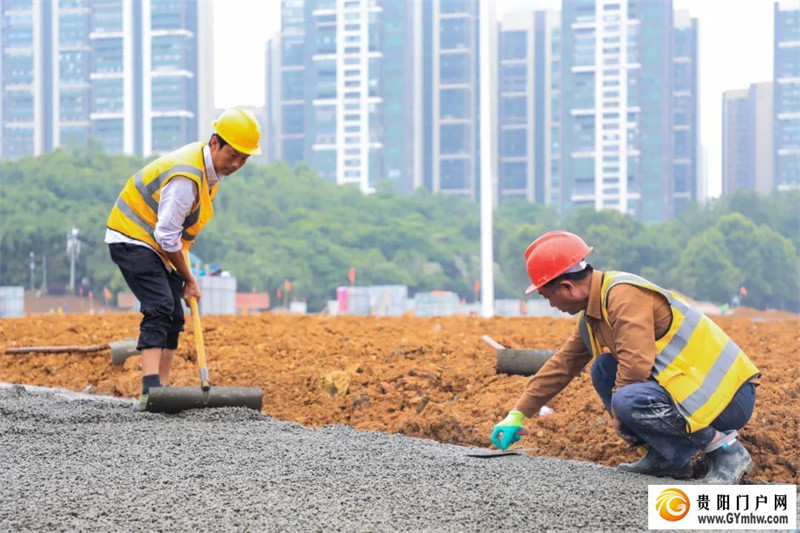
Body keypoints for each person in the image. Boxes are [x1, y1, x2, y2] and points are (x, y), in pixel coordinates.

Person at [491, 231, 760, 484]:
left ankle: (726, 451)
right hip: (695, 396)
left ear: (567, 286)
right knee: (603, 369)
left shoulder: (623, 295)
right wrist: (517, 413)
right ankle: (669, 459)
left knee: (626, 397)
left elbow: (636, 363)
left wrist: (621, 412)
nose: (552, 305)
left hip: (728, 398)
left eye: (548, 296)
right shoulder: (593, 317)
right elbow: (562, 365)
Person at [105, 107, 261, 406]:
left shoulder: (207, 174)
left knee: (176, 314)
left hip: (154, 243)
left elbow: (178, 239)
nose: (238, 164)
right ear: (215, 143)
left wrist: (187, 279)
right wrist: (188, 278)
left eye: (244, 158)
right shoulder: (187, 179)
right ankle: (151, 389)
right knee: (160, 305)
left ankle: (163, 386)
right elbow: (166, 235)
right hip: (132, 237)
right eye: (233, 155)